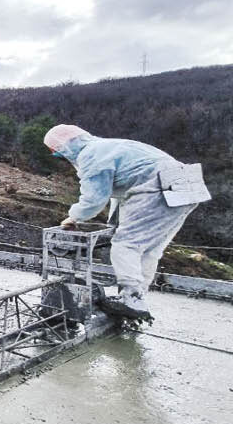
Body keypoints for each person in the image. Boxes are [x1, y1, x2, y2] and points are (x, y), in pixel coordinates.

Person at [44, 124, 210, 321]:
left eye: (55, 152)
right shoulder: (110, 146)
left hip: (158, 188)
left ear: (65, 147)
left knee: (125, 245)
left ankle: (131, 298)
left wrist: (74, 217)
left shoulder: (91, 156)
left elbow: (94, 199)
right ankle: (137, 297)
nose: (57, 156)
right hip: (186, 187)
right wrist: (113, 223)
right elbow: (120, 192)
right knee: (149, 249)